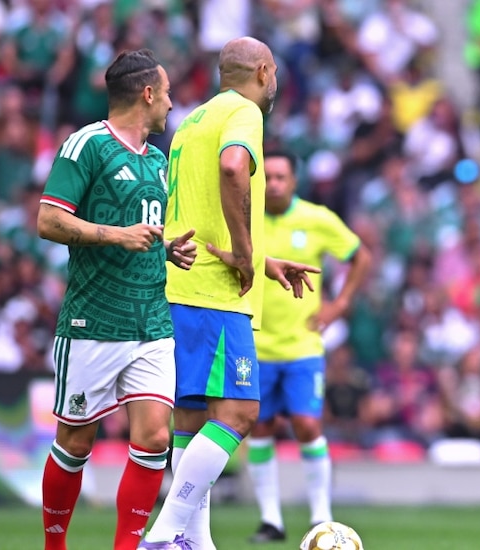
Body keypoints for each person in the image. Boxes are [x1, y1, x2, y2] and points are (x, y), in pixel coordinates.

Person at [138, 37, 319, 550]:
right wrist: (244, 253)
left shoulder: (190, 123)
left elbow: (196, 211)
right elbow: (234, 167)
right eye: (276, 73)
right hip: (215, 296)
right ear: (263, 72)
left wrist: (260, 260)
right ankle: (165, 533)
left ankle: (196, 541)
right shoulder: (244, 114)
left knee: (192, 423)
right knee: (239, 414)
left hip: (179, 287)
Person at [36, 49, 197, 550]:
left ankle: (127, 547)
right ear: (147, 94)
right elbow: (48, 221)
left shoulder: (156, 159)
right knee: (76, 444)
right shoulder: (86, 144)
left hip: (151, 322)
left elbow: (141, 231)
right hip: (93, 321)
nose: (171, 104)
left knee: (154, 440)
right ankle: (55, 546)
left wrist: (164, 247)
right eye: (167, 93)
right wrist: (115, 235)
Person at [246, 149, 373, 543]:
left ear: (294, 181)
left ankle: (322, 516)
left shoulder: (316, 219)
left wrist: (340, 305)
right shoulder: (245, 218)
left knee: (307, 424)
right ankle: (271, 520)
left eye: (281, 176)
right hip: (255, 345)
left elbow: (360, 257)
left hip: (302, 346)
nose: (274, 184)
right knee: (260, 428)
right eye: (267, 176)